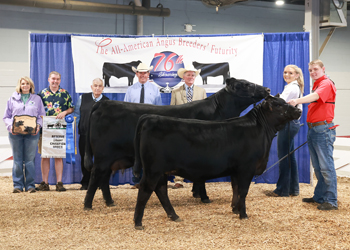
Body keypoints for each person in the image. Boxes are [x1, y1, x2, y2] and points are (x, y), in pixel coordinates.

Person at [288, 59, 337, 210]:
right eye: (310, 70)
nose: (312, 72)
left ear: (323, 69)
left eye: (315, 69)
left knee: (326, 167)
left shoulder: (326, 83)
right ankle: (320, 196)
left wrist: (296, 101)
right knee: (318, 167)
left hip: (322, 130)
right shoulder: (317, 84)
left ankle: (331, 200)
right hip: (314, 129)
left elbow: (315, 97)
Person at [266, 65, 304, 197]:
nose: (286, 75)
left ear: (297, 75)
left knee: (284, 156)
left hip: (287, 124)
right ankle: (293, 188)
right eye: (285, 72)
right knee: (290, 156)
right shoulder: (295, 87)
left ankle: (282, 190)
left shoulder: (291, 87)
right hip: (292, 124)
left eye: (290, 73)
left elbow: (279, 103)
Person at [3, 76, 45, 193]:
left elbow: (41, 115)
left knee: (30, 160)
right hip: (15, 133)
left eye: (27, 83)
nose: (25, 86)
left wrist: (38, 126)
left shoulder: (37, 99)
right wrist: (10, 127)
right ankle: (18, 185)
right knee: (17, 159)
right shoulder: (12, 99)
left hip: (32, 134)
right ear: (19, 85)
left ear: (31, 86)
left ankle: (30, 185)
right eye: (23, 84)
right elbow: (6, 117)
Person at [124, 62, 162, 188]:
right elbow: (126, 109)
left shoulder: (155, 89)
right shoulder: (130, 90)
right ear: (136, 74)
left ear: (148, 74)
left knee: (150, 152)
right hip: (134, 125)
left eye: (145, 73)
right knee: (135, 151)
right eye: (140, 73)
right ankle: (137, 179)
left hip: (150, 126)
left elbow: (159, 109)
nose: (143, 75)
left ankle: (149, 179)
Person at [170, 64, 206, 189]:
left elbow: (205, 112)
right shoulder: (175, 92)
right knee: (179, 153)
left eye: (193, 75)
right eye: (188, 75)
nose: (191, 77)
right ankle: (179, 179)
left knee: (199, 153)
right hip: (180, 129)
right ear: (183, 77)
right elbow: (172, 111)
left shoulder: (202, 92)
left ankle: (197, 178)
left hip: (197, 128)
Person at [37, 71, 74, 192]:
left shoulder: (65, 93)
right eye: (53, 79)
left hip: (60, 130)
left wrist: (65, 112)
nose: (55, 81)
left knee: (58, 156)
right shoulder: (42, 94)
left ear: (60, 80)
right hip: (45, 130)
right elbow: (36, 109)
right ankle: (45, 183)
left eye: (57, 79)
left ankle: (59, 183)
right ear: (48, 79)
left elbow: (72, 107)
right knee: (45, 156)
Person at [74, 78, 109, 190]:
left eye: (100, 86)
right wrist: (78, 128)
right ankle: (86, 182)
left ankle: (98, 182)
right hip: (84, 134)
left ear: (103, 88)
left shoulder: (107, 102)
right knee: (85, 158)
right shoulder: (82, 98)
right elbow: (77, 114)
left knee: (100, 160)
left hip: (100, 137)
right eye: (95, 85)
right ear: (91, 87)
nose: (97, 88)